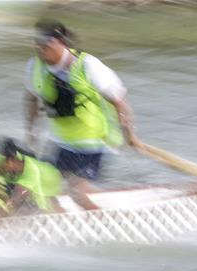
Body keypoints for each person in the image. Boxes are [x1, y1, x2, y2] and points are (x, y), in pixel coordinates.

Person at [24, 20, 139, 210]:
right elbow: (31, 99)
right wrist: (31, 132)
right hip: (62, 141)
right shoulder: (34, 66)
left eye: (45, 42)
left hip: (93, 142)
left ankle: (105, 219)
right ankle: (66, 215)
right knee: (44, 184)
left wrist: (130, 136)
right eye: (36, 41)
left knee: (75, 191)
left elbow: (119, 101)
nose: (39, 47)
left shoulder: (87, 65)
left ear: (60, 42)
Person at [0, 137, 62, 213]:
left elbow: (17, 197)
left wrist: (3, 209)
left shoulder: (31, 172)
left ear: (11, 161)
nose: (2, 167)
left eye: (3, 164)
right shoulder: (18, 163)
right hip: (47, 178)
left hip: (50, 187)